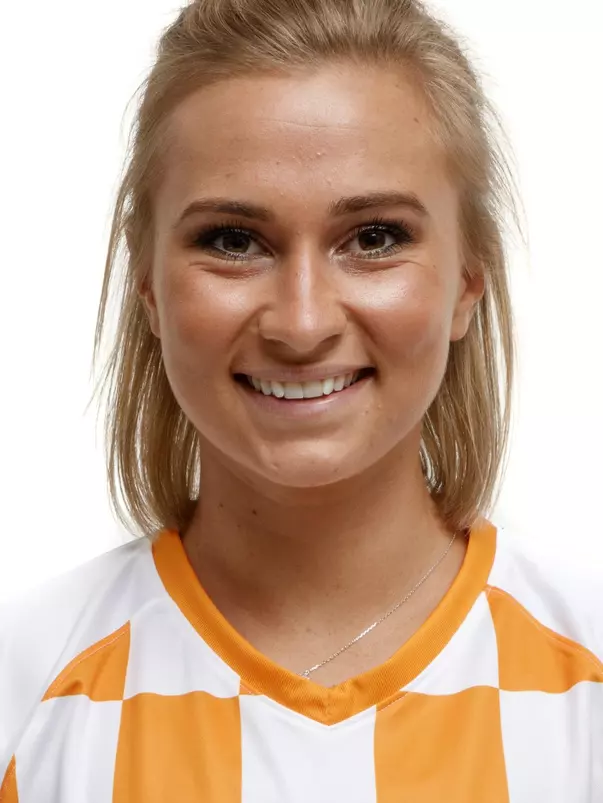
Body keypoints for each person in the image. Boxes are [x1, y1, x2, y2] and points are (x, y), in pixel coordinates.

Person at [1, 0, 601, 799]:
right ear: (147, 287)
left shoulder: (584, 678)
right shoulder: (27, 686)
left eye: (375, 237)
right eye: (232, 240)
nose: (303, 321)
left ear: (467, 281)